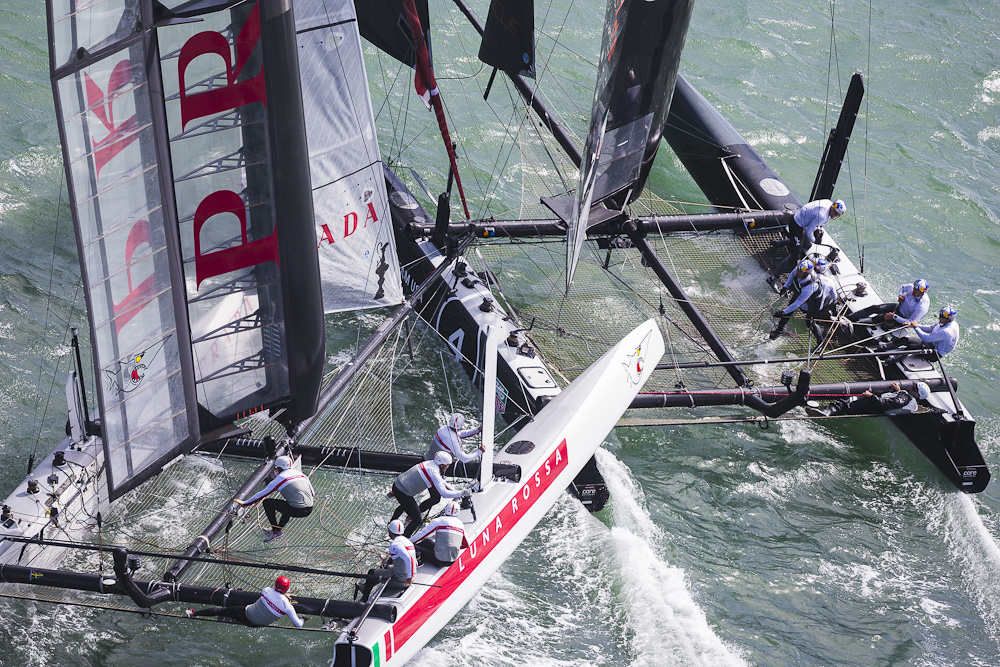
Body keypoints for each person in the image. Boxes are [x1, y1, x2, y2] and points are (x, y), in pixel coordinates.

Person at [235, 455, 314, 543]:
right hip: (309, 509)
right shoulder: (302, 475)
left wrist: (245, 503)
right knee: (288, 505)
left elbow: (260, 495)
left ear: (279, 468)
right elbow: (312, 493)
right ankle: (278, 531)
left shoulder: (279, 479)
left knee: (267, 503)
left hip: (297, 510)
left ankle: (275, 531)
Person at [389, 451, 470, 537]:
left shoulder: (430, 464)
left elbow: (441, 482)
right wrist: (461, 493)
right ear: (442, 465)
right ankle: (403, 540)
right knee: (417, 519)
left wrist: (456, 491)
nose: (448, 467)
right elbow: (444, 493)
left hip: (399, 486)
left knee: (435, 498)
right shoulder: (434, 473)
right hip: (402, 492)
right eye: (447, 465)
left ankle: (400, 518)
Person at [186, 576, 306, 627]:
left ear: (275, 585)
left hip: (245, 614)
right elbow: (298, 624)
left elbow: (275, 593)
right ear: (287, 589)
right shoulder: (288, 607)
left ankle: (193, 613)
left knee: (220, 610)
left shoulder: (267, 591)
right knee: (249, 609)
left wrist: (283, 594)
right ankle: (233, 619)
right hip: (256, 625)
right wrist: (303, 619)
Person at [776, 199, 846, 273]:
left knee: (807, 245)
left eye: (837, 214)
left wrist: (817, 229)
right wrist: (815, 241)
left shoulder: (828, 203)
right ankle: (775, 276)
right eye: (834, 212)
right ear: (832, 207)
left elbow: (815, 220)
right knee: (795, 256)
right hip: (796, 225)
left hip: (801, 221)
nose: (834, 215)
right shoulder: (823, 216)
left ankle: (779, 243)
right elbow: (808, 231)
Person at [356, 520, 416, 603]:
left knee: (372, 572)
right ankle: (366, 586)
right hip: (407, 575)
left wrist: (409, 577)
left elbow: (408, 558)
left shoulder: (395, 544)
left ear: (390, 532)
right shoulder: (407, 541)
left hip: (401, 580)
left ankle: (364, 599)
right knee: (385, 566)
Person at [847, 279, 929, 337]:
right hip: (898, 307)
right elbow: (902, 287)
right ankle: (848, 317)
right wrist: (901, 295)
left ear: (922, 293)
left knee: (880, 317)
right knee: (875, 308)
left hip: (902, 319)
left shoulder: (922, 306)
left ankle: (853, 325)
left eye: (916, 290)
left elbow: (910, 323)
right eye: (914, 288)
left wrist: (894, 316)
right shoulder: (911, 288)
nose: (913, 290)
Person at [879, 305, 959, 364]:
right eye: (940, 315)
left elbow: (926, 338)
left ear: (949, 320)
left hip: (935, 353)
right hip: (931, 343)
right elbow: (930, 329)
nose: (939, 318)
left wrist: (916, 327)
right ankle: (881, 348)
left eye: (942, 317)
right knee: (905, 340)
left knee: (911, 347)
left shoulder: (946, 331)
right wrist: (912, 324)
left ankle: (888, 362)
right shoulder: (946, 323)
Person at [770, 259, 822, 340]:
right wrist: (785, 287)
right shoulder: (800, 268)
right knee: (789, 309)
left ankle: (820, 342)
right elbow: (792, 274)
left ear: (806, 273)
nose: (797, 271)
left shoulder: (810, 286)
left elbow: (797, 303)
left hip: (813, 299)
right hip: (802, 289)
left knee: (810, 322)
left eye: (799, 271)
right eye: (797, 269)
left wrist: (782, 312)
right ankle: (779, 330)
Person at [410, 500, 469, 567]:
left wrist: (408, 542)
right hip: (452, 561)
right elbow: (466, 544)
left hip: (439, 561)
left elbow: (422, 535)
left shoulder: (439, 521)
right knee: (427, 541)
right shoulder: (460, 524)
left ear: (446, 510)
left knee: (414, 547)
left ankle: (419, 561)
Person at [819, 381, 930, 416]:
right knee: (848, 405)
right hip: (876, 409)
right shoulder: (910, 401)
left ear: (918, 395)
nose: (911, 387)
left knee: (845, 403)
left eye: (914, 388)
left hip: (873, 406)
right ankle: (829, 410)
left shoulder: (905, 398)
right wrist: (898, 391)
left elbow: (887, 404)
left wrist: (870, 396)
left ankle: (827, 412)